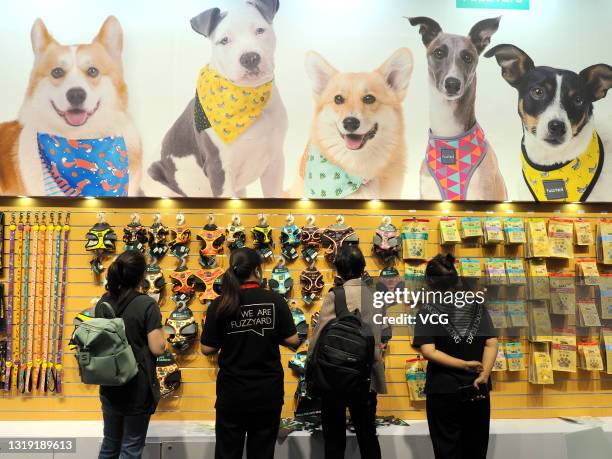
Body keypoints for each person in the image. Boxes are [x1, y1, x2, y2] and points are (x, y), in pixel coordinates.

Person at [201, 247, 299, 459]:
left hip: (232, 392)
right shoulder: (275, 300)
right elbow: (293, 340)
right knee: (262, 453)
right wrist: (269, 333)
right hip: (267, 392)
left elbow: (207, 348)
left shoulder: (220, 304)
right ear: (257, 269)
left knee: (227, 452)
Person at [412, 253, 498, 459]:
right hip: (478, 388)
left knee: (447, 450)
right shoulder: (477, 306)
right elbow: (491, 343)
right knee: (476, 449)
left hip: (444, 390)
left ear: (429, 281)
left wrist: (463, 365)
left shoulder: (426, 311)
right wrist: (484, 374)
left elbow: (428, 351)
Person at [308, 245, 386, 459]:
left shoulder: (336, 295)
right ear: (363, 268)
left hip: (335, 375)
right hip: (366, 375)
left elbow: (319, 336)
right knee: (367, 435)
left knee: (334, 438)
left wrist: (310, 367)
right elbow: (380, 335)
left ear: (339, 270)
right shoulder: (375, 295)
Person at [95, 251, 165, 459]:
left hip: (110, 384)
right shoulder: (147, 304)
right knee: (131, 448)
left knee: (110, 444)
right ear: (141, 275)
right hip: (137, 387)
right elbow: (157, 348)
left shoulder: (103, 303)